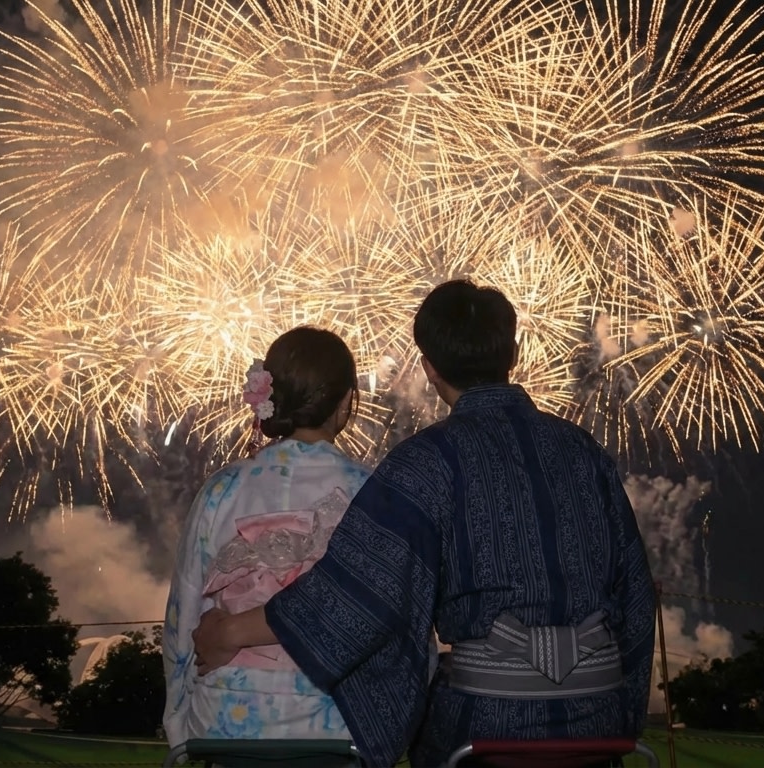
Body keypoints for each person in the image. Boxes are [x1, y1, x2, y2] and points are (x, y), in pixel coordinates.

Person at [192, 279, 655, 767]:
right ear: (514, 353)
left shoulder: (424, 462)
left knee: (430, 729)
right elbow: (636, 596)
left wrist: (231, 632)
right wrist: (622, 713)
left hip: (487, 726)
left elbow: (358, 593)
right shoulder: (585, 453)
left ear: (429, 367)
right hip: (597, 722)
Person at [162, 326, 371, 746]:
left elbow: (183, 615)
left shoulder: (222, 490)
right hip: (337, 724)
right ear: (346, 401)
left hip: (223, 720)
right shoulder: (371, 492)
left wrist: (179, 722)